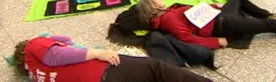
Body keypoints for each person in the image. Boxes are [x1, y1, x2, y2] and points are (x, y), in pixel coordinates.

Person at [134, 0, 276, 50]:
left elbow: (193, 14)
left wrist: (212, 5)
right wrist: (217, 42)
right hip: (222, 25)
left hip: (217, 17)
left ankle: (269, 15)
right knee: (266, 27)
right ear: (152, 6)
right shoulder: (167, 19)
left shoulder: (168, 13)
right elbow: (187, 38)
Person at [12, 34, 211, 82]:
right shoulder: (34, 45)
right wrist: (98, 53)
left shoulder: (36, 76)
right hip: (105, 72)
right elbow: (61, 49)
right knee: (157, 69)